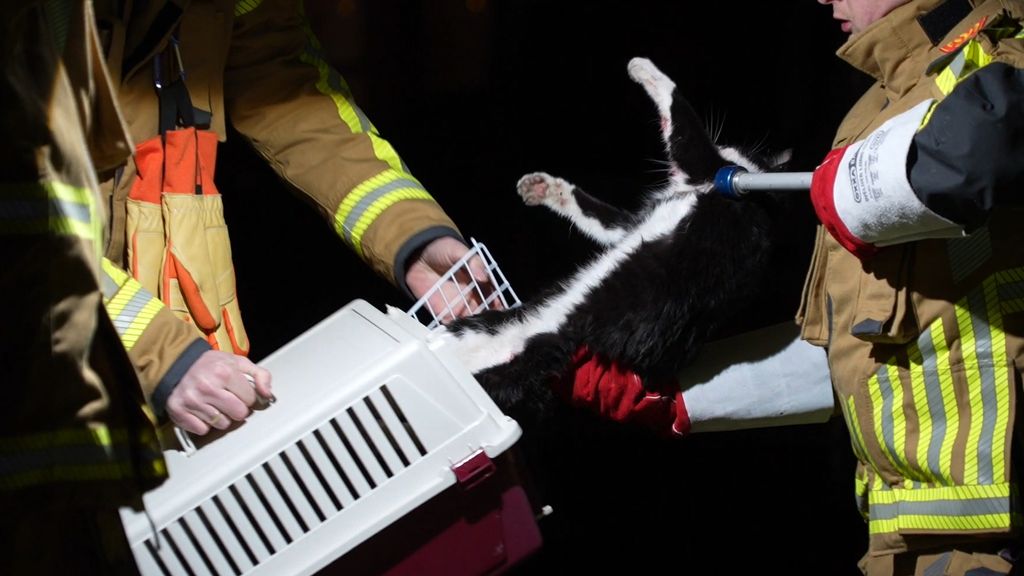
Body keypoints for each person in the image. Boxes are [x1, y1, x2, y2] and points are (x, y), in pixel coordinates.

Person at [90, 0, 493, 438]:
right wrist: (158, 353)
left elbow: (283, 83)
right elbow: (25, 228)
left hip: (177, 383)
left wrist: (410, 235)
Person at [800, 0, 1024, 574]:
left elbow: (977, 151)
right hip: (907, 537)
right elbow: (857, 353)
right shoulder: (871, 112)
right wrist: (684, 398)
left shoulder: (1006, 50)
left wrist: (863, 189)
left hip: (999, 536)